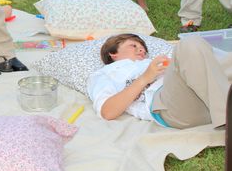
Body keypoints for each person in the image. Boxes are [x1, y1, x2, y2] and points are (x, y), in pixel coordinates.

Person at [87, 33, 232, 129]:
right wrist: (145, 77)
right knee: (190, 43)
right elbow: (107, 111)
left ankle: (224, 109)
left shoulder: (150, 61)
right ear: (113, 53)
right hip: (170, 108)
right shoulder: (103, 74)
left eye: (143, 48)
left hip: (208, 101)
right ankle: (227, 114)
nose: (141, 50)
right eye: (133, 46)